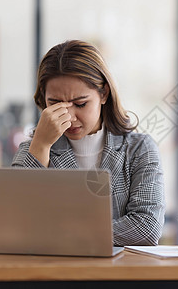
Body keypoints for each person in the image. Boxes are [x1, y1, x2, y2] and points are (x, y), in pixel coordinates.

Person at [12, 40, 165, 246]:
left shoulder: (139, 150)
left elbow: (147, 227)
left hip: (119, 274)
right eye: (55, 104)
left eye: (81, 104)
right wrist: (40, 146)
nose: (70, 117)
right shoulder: (36, 148)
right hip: (52, 273)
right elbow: (14, 223)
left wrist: (65, 233)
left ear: (104, 94)